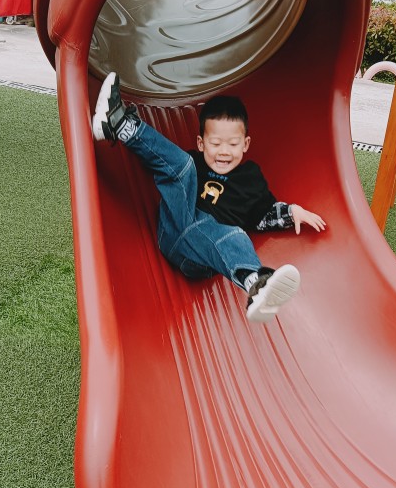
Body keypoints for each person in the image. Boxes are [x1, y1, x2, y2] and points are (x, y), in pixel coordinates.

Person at [91, 73, 326, 323]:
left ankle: (256, 285)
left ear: (245, 144)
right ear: (201, 143)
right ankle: (121, 125)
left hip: (201, 258)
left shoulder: (250, 179)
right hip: (173, 228)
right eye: (215, 144)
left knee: (235, 235)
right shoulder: (194, 162)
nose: (224, 152)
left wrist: (291, 212)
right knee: (184, 165)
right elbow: (165, 164)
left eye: (233, 144)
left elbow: (262, 216)